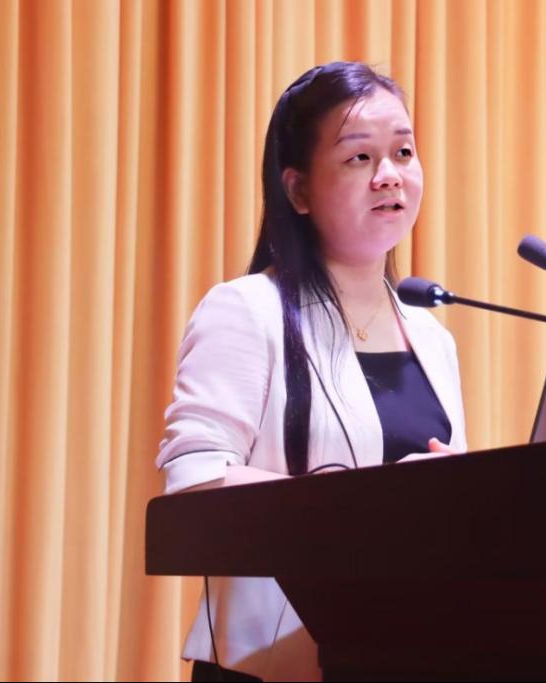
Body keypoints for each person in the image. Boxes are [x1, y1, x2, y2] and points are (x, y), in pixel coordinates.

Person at [154, 61, 468, 682]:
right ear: (298, 191)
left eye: (404, 152)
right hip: (267, 663)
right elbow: (193, 486)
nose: (389, 175)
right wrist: (370, 505)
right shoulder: (248, 310)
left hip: (400, 655)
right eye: (359, 157)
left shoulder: (432, 337)